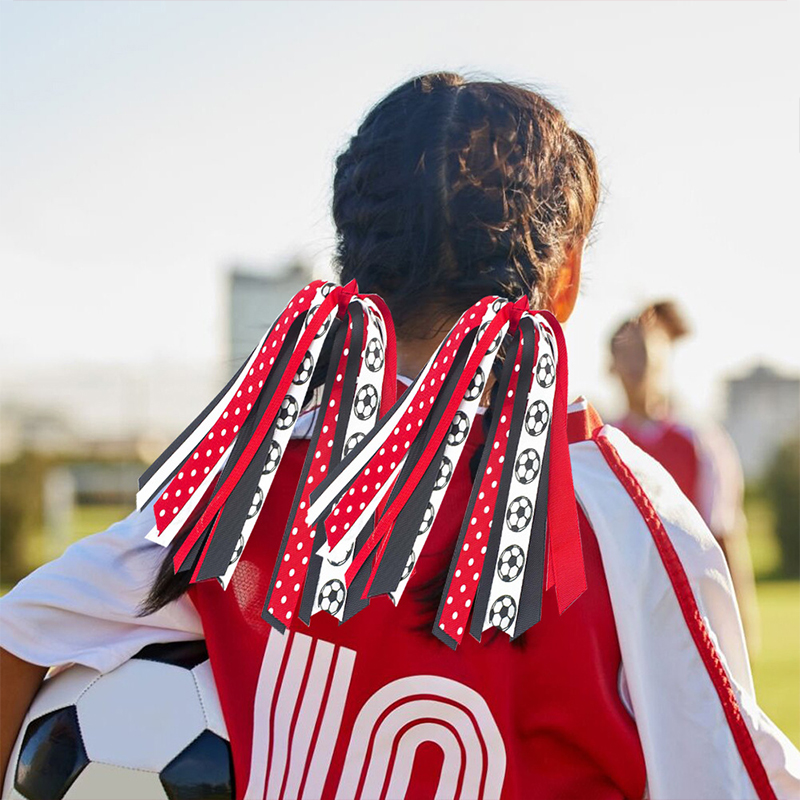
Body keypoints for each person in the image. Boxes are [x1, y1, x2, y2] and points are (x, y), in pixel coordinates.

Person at [1, 72, 797, 800]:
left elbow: (19, 634)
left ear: (352, 271)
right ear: (567, 279)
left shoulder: (248, 487)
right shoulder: (628, 515)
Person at [609, 301, 760, 649]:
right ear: (611, 365)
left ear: (663, 360)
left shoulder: (701, 442)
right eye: (625, 353)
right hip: (623, 624)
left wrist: (742, 635)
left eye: (644, 353)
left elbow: (724, 537)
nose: (636, 366)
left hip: (693, 623)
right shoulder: (596, 445)